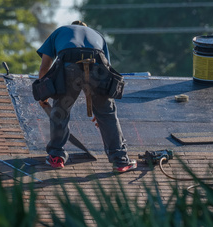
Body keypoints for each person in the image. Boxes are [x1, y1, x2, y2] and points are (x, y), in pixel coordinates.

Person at [36, 20, 137, 173]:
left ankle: (56, 156)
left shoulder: (61, 31)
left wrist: (43, 95)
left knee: (60, 111)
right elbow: (107, 71)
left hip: (69, 61)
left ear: (73, 26)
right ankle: (120, 160)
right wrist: (101, 109)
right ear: (86, 29)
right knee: (108, 114)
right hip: (98, 63)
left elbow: (45, 66)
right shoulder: (97, 36)